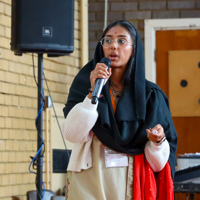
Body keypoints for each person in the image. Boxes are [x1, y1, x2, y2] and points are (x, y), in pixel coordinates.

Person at [61, 20, 177, 200]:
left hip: (131, 182)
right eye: (108, 40)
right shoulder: (86, 84)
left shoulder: (151, 96)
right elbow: (72, 134)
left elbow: (159, 165)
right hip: (88, 180)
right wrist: (93, 92)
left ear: (134, 49)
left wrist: (158, 141)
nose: (113, 46)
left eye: (121, 41)